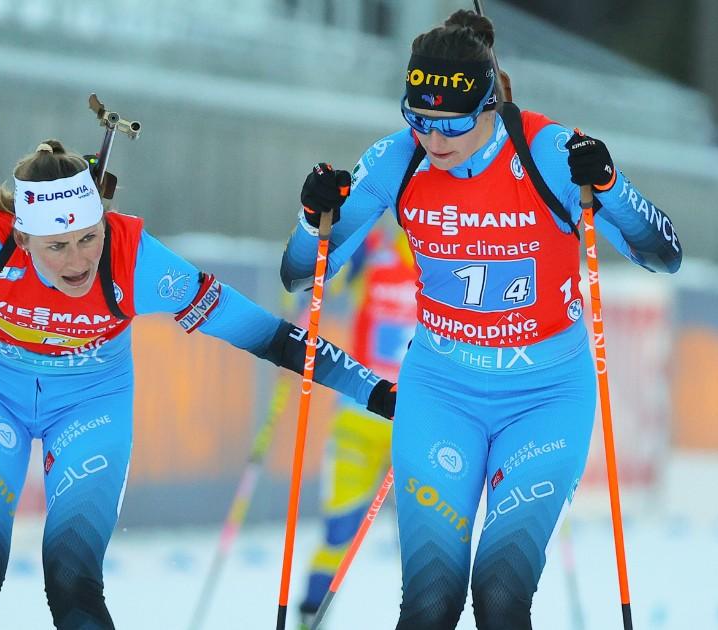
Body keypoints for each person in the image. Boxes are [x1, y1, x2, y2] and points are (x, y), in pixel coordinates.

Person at [0, 140, 398, 629]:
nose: (78, 261)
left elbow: (272, 337)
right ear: (22, 236)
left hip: (89, 406)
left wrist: (378, 392)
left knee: (72, 578)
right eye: (56, 247)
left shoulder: (137, 261)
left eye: (89, 239)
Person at [279, 10, 682, 630]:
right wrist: (315, 217)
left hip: (545, 396)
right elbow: (302, 272)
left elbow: (664, 253)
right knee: (432, 601)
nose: (435, 141)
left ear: (490, 104)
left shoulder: (545, 151)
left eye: (454, 124)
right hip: (441, 391)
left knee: (500, 593)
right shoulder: (398, 159)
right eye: (420, 120)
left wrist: (609, 183)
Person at [297, 227, 416, 627]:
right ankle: (308, 620)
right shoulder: (371, 247)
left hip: (419, 424)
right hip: (360, 415)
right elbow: (305, 278)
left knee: (429, 545)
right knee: (338, 534)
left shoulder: (455, 255)